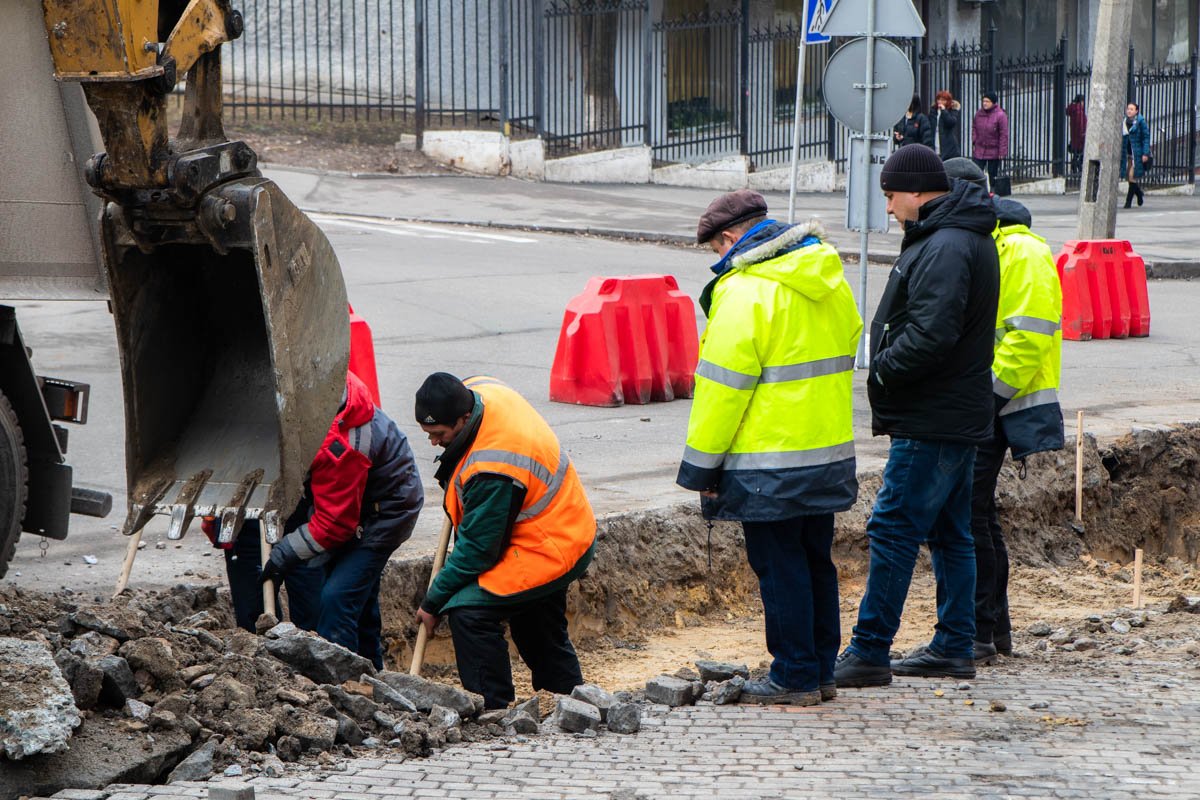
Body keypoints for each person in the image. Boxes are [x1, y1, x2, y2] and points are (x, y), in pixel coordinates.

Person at [676, 190, 861, 706]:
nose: (717, 258)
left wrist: (700, 467)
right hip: (824, 453)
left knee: (780, 568)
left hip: (767, 461)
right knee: (815, 561)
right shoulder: (827, 277)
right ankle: (821, 668)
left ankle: (795, 675)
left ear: (732, 238)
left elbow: (721, 390)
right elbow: (848, 344)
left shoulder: (745, 291)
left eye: (716, 247)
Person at [833, 145, 999, 688]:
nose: (887, 207)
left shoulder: (947, 244)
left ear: (918, 192)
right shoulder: (954, 236)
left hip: (934, 416)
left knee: (893, 527)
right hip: (951, 411)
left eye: (890, 195)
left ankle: (869, 650)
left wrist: (881, 369)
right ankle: (955, 644)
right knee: (951, 532)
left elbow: (931, 334)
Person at [933, 158, 1065, 663]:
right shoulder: (993, 245)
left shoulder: (1022, 251)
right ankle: (992, 629)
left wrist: (986, 400)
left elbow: (1028, 338)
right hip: (989, 403)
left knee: (969, 516)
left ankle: (980, 631)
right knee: (977, 514)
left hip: (1001, 405)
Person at [414, 372, 594, 710]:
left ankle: (491, 709)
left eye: (439, 434)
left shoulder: (493, 466)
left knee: (468, 611)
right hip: (556, 522)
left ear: (464, 419)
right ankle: (569, 698)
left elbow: (478, 551)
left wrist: (432, 602)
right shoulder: (482, 390)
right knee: (535, 620)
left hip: (550, 542)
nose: (433, 443)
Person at [260, 370, 424, 670]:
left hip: (384, 515)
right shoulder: (324, 390)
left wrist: (283, 554)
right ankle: (372, 673)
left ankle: (344, 683)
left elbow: (334, 524)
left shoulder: (342, 443)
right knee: (358, 595)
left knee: (337, 598)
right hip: (358, 505)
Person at [972, 91, 1009, 183]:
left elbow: (1003, 134)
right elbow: (974, 128)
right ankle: (978, 191)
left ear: (993, 102)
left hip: (994, 150)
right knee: (977, 173)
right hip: (980, 149)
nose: (984, 103)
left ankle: (993, 191)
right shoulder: (978, 114)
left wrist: (1002, 151)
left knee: (993, 174)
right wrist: (974, 140)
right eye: (983, 101)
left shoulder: (1000, 115)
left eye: (987, 101)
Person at [1121, 101, 1151, 208]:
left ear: (1136, 111)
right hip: (1127, 154)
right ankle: (1139, 193)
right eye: (1128, 109)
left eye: (1131, 109)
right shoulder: (1124, 122)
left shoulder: (1140, 122)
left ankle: (1128, 202)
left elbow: (1146, 138)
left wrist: (1145, 153)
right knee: (1128, 177)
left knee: (1132, 176)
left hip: (1136, 154)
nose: (1129, 111)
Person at [931, 90, 961, 160]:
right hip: (935, 138)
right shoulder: (933, 111)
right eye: (938, 99)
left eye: (943, 100)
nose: (940, 102)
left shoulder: (952, 110)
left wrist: (944, 111)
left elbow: (951, 122)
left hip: (947, 141)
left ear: (948, 101)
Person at [1065, 93, 1087, 176]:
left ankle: (1075, 167)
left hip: (1075, 135)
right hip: (1081, 135)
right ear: (1081, 101)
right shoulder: (1079, 111)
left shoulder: (1074, 110)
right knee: (1081, 152)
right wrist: (1083, 133)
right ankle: (1078, 167)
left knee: (1077, 152)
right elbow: (1081, 123)